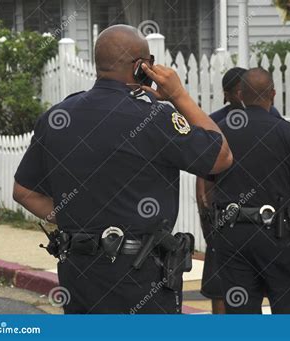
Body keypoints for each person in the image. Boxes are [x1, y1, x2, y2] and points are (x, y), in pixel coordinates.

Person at [12, 24, 233, 314]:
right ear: (142, 66)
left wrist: (77, 220)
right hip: (140, 276)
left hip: (78, 273)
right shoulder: (154, 117)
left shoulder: (58, 115)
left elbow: (23, 191)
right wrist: (179, 95)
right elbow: (221, 157)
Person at [208, 67, 290, 314]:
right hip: (275, 235)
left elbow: (206, 185)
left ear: (240, 93)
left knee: (241, 313)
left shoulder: (221, 131)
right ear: (273, 93)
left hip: (232, 233)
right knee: (285, 308)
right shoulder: (287, 133)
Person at [196, 67, 281, 314]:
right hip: (225, 221)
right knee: (220, 288)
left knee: (259, 291)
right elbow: (203, 182)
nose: (245, 93)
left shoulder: (272, 118)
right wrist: (209, 224)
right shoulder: (214, 124)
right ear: (228, 93)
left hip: (263, 224)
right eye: (239, 89)